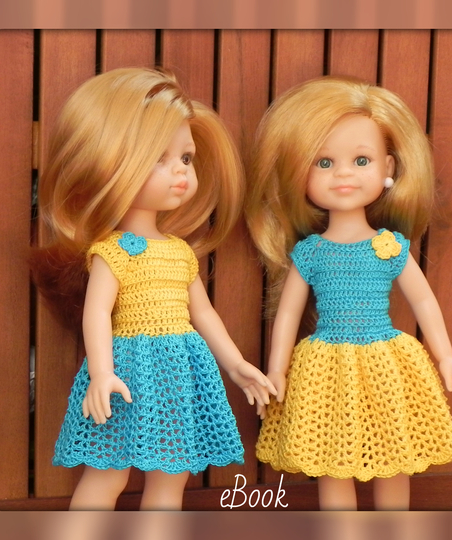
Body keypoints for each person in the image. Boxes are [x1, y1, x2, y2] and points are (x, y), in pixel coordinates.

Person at [32, 68, 276, 510]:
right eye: (158, 159)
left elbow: (203, 314)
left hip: (179, 371)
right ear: (111, 164)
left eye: (186, 158)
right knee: (107, 472)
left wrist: (236, 364)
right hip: (125, 371)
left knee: (171, 474)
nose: (180, 171)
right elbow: (97, 313)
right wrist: (102, 373)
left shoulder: (180, 252)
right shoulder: (113, 251)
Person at [245, 76, 452, 510]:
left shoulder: (389, 246)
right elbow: (288, 315)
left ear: (388, 168)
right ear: (299, 172)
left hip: (386, 360)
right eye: (323, 162)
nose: (344, 173)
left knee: (393, 454)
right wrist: (277, 368)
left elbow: (424, 300)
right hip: (325, 366)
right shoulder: (311, 252)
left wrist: (445, 356)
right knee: (333, 461)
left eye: (361, 160)